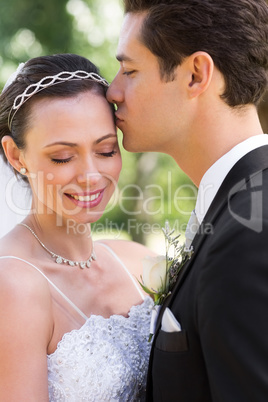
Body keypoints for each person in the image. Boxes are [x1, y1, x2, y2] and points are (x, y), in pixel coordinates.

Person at [107, 0, 268, 401]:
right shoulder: (237, 205)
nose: (112, 91)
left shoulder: (248, 236)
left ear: (196, 74)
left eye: (129, 71)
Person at [0, 53, 156, 401]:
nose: (90, 176)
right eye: (63, 157)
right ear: (15, 155)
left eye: (105, 150)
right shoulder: (12, 285)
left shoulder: (136, 262)